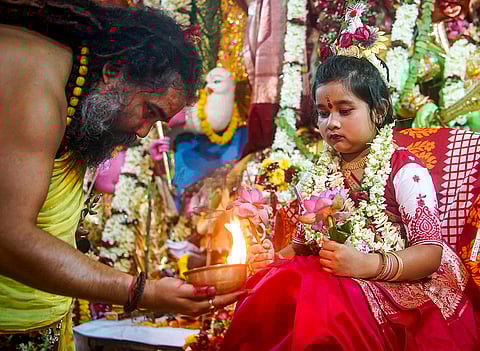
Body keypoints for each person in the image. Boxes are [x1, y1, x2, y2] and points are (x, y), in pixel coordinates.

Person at [0, 1, 246, 349]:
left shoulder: (69, 77)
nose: (144, 132)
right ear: (115, 70)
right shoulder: (36, 87)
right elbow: (7, 238)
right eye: (149, 111)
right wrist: (141, 291)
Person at [221, 55, 479, 350]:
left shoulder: (405, 170)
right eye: (322, 113)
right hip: (334, 279)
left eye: (345, 111)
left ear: (378, 111)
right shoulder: (319, 174)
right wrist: (273, 258)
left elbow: (430, 253)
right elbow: (303, 246)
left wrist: (367, 264)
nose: (331, 123)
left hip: (397, 283)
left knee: (328, 306)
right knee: (272, 289)